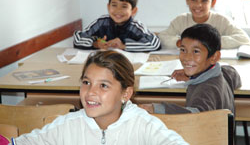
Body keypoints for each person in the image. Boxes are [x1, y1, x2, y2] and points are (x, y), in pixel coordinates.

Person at [12, 50, 188, 145]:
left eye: (103, 85)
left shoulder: (144, 125)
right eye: (86, 82)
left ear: (125, 94)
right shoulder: (67, 126)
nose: (90, 92)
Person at [140, 24, 241, 114]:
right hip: (221, 133)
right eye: (183, 50)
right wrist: (191, 75)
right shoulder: (222, 73)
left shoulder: (207, 89)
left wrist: (156, 108)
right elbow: (233, 73)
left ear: (214, 57)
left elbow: (196, 115)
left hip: (207, 134)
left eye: (196, 51)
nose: (187, 57)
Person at [158, 0, 250, 49]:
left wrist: (211, 42)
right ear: (187, 0)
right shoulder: (181, 20)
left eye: (204, 0)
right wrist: (181, 42)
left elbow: (244, 38)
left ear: (213, 2)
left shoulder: (221, 20)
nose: (198, 5)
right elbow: (163, 36)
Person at [74, 0, 161, 52]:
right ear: (108, 7)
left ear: (133, 11)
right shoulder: (101, 22)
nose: (118, 10)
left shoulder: (135, 26)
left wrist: (124, 46)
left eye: (124, 6)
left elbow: (155, 44)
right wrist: (95, 44)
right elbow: (78, 38)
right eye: (114, 5)